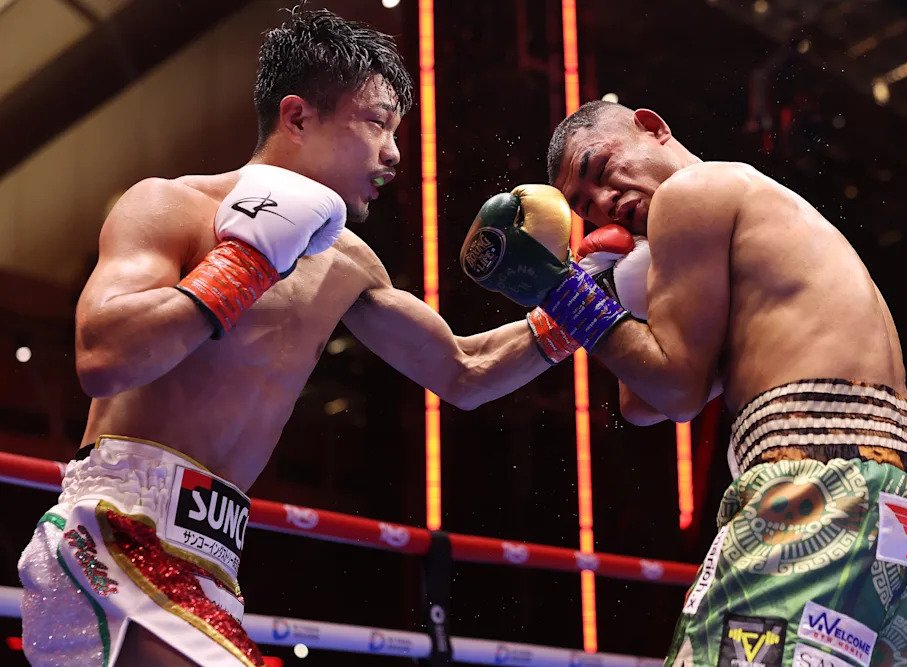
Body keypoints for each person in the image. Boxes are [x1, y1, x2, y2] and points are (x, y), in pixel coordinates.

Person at [16, 9, 556, 667]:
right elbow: (103, 356)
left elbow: (466, 370)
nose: (393, 150)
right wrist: (242, 264)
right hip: (114, 532)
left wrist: (579, 305)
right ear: (297, 117)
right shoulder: (171, 206)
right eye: (376, 122)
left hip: (209, 562)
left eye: (396, 130)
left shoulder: (350, 263)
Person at [461, 100, 907, 665]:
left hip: (822, 487)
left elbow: (676, 390)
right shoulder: (743, 217)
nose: (602, 204)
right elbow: (645, 403)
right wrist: (606, 288)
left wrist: (560, 292)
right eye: (585, 207)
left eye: (601, 171)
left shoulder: (692, 191)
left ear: (652, 127)